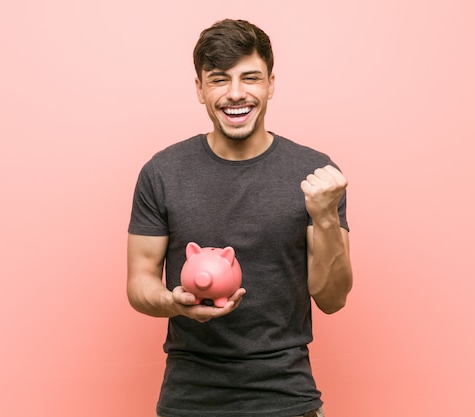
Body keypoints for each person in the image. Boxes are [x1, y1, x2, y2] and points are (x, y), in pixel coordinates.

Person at [127, 18, 352, 417]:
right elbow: (139, 281)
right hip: (188, 399)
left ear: (270, 84)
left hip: (286, 400)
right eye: (218, 79)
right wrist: (174, 303)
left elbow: (332, 299)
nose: (236, 94)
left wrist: (326, 217)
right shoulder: (162, 173)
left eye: (250, 78)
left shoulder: (316, 175)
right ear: (199, 88)